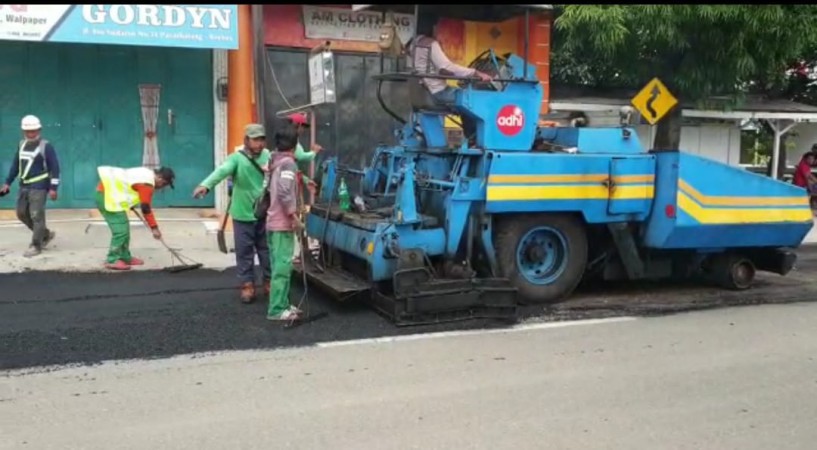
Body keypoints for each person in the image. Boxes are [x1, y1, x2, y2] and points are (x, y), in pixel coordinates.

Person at [193, 123, 272, 304]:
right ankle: (247, 285)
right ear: (246, 140)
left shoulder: (270, 156)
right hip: (242, 214)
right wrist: (206, 185)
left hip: (265, 213)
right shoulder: (236, 159)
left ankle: (269, 282)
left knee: (267, 251)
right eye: (255, 140)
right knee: (244, 252)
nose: (259, 143)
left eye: (262, 139)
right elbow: (221, 171)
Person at [407, 15, 492, 143]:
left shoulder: (412, 45)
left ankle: (472, 140)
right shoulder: (431, 44)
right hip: (439, 93)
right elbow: (446, 68)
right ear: (432, 27)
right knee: (472, 102)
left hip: (423, 92)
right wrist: (475, 73)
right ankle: (475, 141)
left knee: (465, 98)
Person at [0, 115, 61, 258]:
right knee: (21, 214)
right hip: (24, 186)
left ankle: (36, 245)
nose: (31, 133)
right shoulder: (21, 145)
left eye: (33, 130)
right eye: (28, 131)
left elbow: (55, 168)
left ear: (39, 130)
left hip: (39, 187)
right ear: (23, 131)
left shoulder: (46, 146)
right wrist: (7, 182)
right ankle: (45, 234)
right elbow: (16, 165)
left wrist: (53, 188)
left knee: (36, 216)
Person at [95, 165, 175, 270]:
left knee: (124, 229)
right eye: (164, 184)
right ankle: (112, 259)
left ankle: (124, 256)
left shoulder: (146, 173)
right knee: (120, 231)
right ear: (160, 178)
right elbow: (146, 208)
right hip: (106, 197)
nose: (161, 187)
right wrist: (154, 228)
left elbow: (127, 184)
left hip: (110, 195)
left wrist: (130, 202)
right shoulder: (147, 184)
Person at [265, 124, 305, 321]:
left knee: (279, 266)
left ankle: (283, 303)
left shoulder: (274, 161)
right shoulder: (288, 164)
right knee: (282, 267)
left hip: (272, 222)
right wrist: (294, 217)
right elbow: (284, 191)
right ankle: (277, 309)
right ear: (294, 145)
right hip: (282, 224)